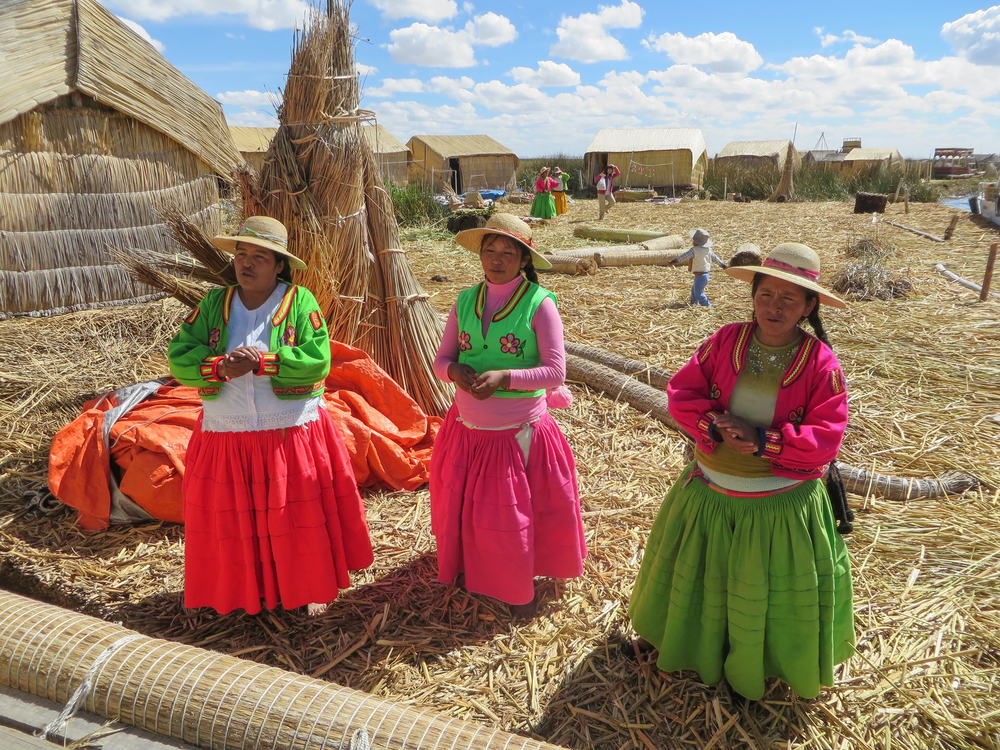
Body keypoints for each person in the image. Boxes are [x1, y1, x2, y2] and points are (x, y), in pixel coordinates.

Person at [626, 242, 855, 702]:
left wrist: (763, 441)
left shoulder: (820, 364)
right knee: (696, 579)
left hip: (777, 509)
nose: (774, 306)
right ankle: (682, 643)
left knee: (761, 591)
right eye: (765, 294)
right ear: (752, 295)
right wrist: (713, 422)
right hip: (710, 491)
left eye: (789, 299)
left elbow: (826, 438)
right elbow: (682, 392)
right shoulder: (726, 341)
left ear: (809, 306)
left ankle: (760, 663)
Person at [168, 215, 374, 616]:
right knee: (236, 522)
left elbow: (318, 359)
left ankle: (306, 588)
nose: (246, 263)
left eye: (259, 257)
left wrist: (264, 362)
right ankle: (250, 591)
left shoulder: (299, 302)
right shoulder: (214, 304)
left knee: (294, 516)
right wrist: (220, 368)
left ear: (279, 265)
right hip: (228, 433)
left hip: (288, 432)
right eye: (241, 254)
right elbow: (180, 356)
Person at [430, 213, 587, 618]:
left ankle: (517, 584)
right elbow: (442, 358)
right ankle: (475, 568)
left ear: (523, 259)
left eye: (508, 252)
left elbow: (555, 372)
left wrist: (505, 377)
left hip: (517, 435)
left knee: (512, 517)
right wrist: (454, 372)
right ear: (480, 255)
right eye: (490, 250)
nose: (497, 259)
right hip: (468, 430)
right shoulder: (465, 300)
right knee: (471, 510)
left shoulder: (539, 303)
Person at [669, 228, 728, 306]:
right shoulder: (708, 250)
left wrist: (674, 261)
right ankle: (693, 304)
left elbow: (684, 256)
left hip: (700, 276)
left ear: (696, 242)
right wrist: (723, 265)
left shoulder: (694, 250)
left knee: (698, 293)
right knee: (694, 290)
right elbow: (716, 259)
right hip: (705, 275)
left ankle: (707, 305)